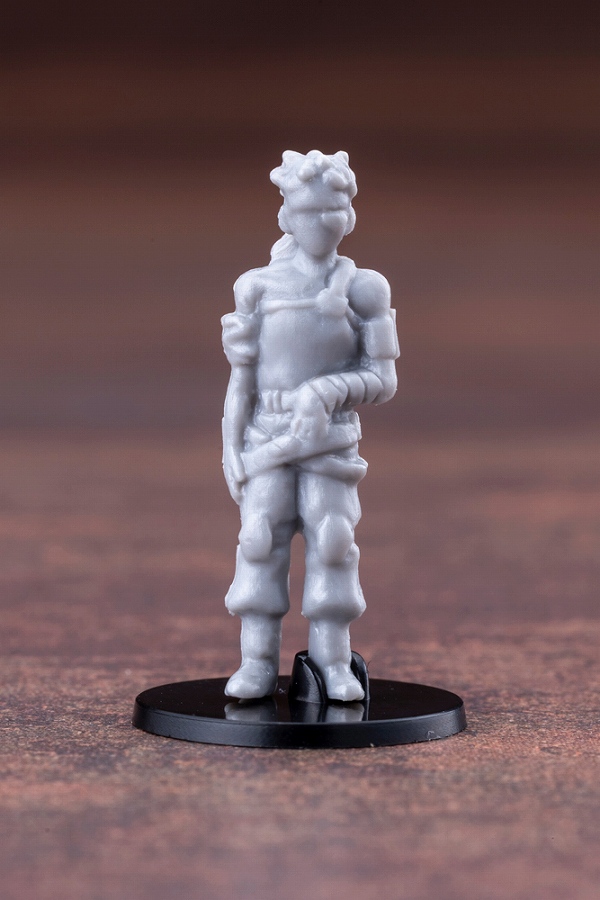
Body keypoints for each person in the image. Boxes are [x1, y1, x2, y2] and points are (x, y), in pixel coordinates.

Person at [221, 150, 399, 701]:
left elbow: (383, 379)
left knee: (334, 542)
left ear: (349, 216)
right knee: (259, 541)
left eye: (334, 209)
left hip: (331, 441)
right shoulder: (256, 287)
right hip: (268, 436)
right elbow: (241, 381)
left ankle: (332, 663)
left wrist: (328, 391)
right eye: (310, 210)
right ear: (287, 216)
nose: (323, 222)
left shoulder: (365, 289)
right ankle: (256, 663)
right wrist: (230, 448)